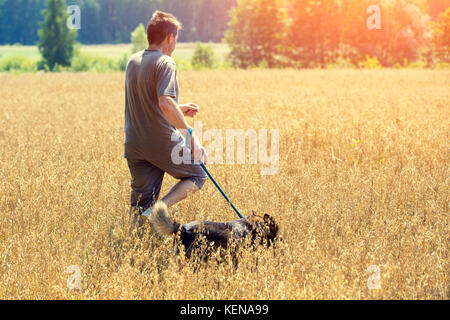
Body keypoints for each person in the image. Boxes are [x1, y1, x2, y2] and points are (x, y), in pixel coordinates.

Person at [123, 10, 208, 234]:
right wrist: (192, 139)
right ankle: (159, 211)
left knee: (139, 207)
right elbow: (164, 104)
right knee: (198, 174)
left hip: (134, 144)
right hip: (159, 142)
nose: (175, 43)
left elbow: (146, 104)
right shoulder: (166, 63)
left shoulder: (133, 61)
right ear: (170, 37)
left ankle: (133, 248)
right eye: (176, 38)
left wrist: (179, 109)